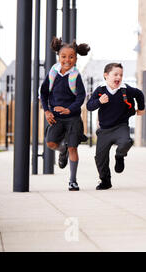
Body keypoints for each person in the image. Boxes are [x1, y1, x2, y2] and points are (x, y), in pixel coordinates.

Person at [40, 36, 89, 191]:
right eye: (63, 56)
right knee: (51, 143)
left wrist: (69, 109)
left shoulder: (75, 76)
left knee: (73, 148)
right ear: (58, 56)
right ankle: (62, 151)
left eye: (71, 57)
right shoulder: (53, 73)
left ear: (75, 58)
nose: (67, 60)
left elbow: (81, 96)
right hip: (56, 117)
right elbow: (43, 93)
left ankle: (73, 181)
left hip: (73, 118)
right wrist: (47, 111)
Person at [86, 63, 145, 190]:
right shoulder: (100, 90)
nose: (119, 77)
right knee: (100, 158)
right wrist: (99, 101)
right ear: (106, 76)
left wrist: (141, 108)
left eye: (121, 75)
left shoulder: (126, 89)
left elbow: (139, 94)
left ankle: (119, 156)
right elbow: (89, 106)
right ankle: (105, 181)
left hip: (121, 126)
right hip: (104, 130)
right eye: (115, 74)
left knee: (126, 142)